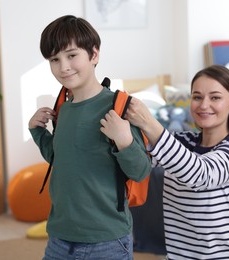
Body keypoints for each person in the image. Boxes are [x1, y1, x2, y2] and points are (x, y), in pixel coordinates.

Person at [28, 15, 151, 260]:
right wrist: (37, 131)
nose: (63, 66)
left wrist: (124, 140)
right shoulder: (62, 107)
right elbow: (59, 157)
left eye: (71, 55)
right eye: (55, 59)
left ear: (94, 55)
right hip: (60, 237)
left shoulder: (118, 107)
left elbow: (140, 171)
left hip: (107, 240)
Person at [100, 65, 229, 259]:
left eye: (215, 97)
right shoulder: (182, 141)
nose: (204, 105)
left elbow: (199, 175)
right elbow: (139, 161)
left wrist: (149, 122)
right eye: (197, 97)